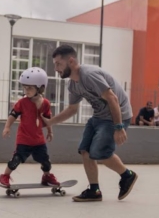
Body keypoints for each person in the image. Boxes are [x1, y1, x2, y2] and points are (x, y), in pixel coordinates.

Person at [42, 44, 137, 202]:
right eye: (54, 65)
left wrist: (119, 127)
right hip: (99, 116)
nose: (56, 69)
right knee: (85, 151)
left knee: (99, 152)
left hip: (117, 116)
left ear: (71, 61)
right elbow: (72, 109)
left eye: (58, 64)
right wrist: (50, 122)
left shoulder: (89, 75)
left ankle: (127, 175)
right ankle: (94, 190)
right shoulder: (72, 84)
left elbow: (112, 98)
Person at [0, 67, 60, 188]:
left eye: (29, 88)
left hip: (39, 140)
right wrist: (7, 127)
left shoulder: (45, 103)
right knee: (16, 160)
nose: (26, 90)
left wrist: (50, 131)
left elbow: (48, 119)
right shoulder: (22, 102)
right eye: (24, 87)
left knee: (46, 162)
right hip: (24, 139)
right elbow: (13, 115)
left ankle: (46, 176)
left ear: (40, 87)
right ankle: (4, 176)